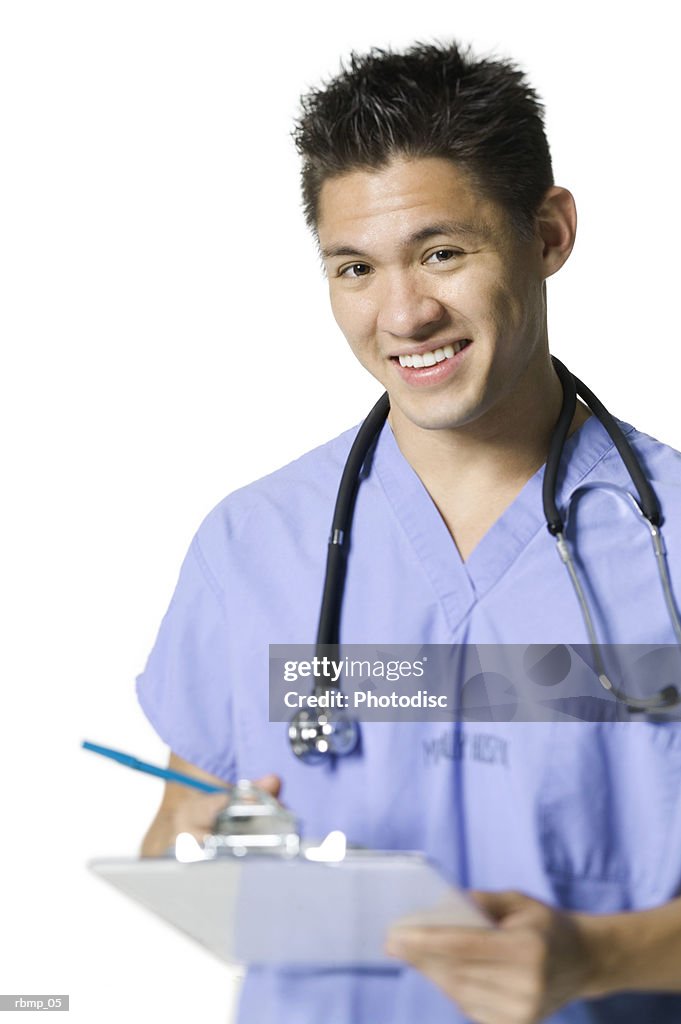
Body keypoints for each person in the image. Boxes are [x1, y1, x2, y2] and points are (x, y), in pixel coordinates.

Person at [136, 41, 681, 1023]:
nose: (404, 313)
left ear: (549, 233)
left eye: (442, 251)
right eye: (355, 266)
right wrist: (197, 844)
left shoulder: (671, 543)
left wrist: (599, 955)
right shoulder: (252, 547)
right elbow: (174, 836)